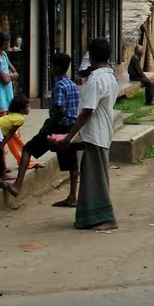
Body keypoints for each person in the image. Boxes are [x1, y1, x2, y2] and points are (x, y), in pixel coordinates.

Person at [0, 53, 80, 206]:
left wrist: (47, 128)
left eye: (51, 66)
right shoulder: (72, 85)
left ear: (56, 67)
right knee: (72, 161)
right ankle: (72, 196)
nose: (50, 69)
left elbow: (60, 110)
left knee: (28, 149)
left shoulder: (59, 85)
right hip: (70, 128)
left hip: (57, 126)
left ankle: (17, 185)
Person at [54, 37, 118, 231]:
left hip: (95, 133)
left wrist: (68, 137)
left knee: (96, 177)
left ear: (90, 56)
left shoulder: (97, 80)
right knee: (92, 177)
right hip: (100, 132)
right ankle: (90, 217)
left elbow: (87, 111)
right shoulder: (108, 76)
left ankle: (107, 218)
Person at [0, 95, 30, 181]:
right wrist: (3, 143)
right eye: (27, 106)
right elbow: (11, 133)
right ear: (21, 109)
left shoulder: (12, 114)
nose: (29, 108)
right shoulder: (20, 119)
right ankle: (1, 174)